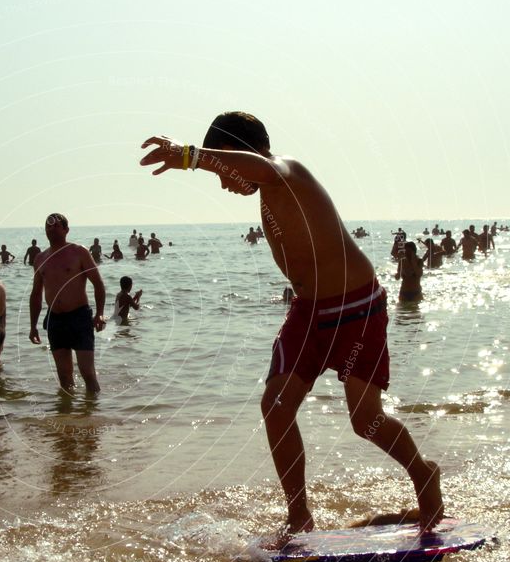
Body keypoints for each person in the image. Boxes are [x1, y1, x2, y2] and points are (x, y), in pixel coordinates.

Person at [140, 111, 442, 535]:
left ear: (247, 152)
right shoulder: (266, 194)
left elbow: (261, 167)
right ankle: (299, 515)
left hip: (357, 307)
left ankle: (424, 474)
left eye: (224, 168)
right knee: (276, 407)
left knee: (365, 420)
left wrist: (191, 155)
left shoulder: (286, 171)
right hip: (309, 312)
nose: (224, 183)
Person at [29, 213, 105, 394]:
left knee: (87, 373)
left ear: (66, 230)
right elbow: (36, 294)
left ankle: (93, 416)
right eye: (48, 226)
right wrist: (33, 326)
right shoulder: (40, 258)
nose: (51, 229)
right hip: (55, 320)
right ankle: (68, 418)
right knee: (64, 376)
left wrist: (99, 313)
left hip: (79, 317)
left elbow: (98, 283)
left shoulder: (79, 252)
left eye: (56, 226)